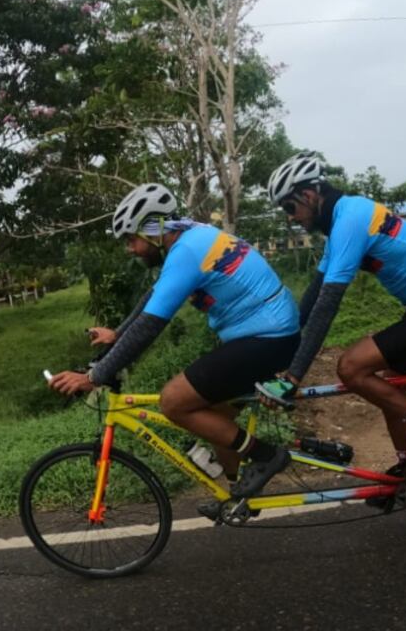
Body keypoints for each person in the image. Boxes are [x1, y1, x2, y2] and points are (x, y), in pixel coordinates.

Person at [48, 184, 301, 501]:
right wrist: (118, 334)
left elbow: (150, 326)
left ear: (151, 230)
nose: (130, 249)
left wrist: (93, 377)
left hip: (268, 338)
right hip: (268, 335)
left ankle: (266, 456)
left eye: (131, 239)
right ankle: (237, 495)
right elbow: (154, 296)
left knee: (173, 401)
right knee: (215, 419)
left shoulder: (187, 252)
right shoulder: (192, 236)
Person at [262, 153, 406, 488]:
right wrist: (279, 351)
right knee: (391, 394)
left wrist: (293, 377)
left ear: (309, 195)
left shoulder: (351, 219)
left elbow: (327, 307)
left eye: (290, 207)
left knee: (351, 367)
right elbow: (313, 299)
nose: (290, 217)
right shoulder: (340, 226)